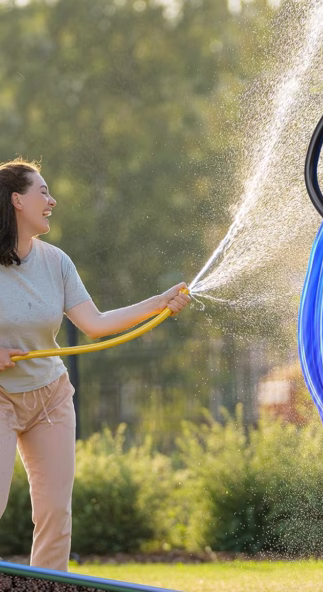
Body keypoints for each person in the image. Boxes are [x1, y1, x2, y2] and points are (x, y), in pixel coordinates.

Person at [0, 159, 191, 572]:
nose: (52, 201)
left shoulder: (57, 262)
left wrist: (160, 302)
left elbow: (95, 324)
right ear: (17, 200)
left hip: (50, 398)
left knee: (54, 512)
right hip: (1, 397)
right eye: (42, 192)